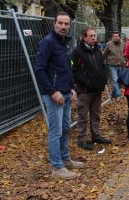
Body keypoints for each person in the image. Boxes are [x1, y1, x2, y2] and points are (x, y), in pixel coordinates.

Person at [35, 11, 84, 180]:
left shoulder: (62, 42)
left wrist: (71, 87)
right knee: (55, 132)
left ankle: (64, 159)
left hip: (66, 93)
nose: (63, 27)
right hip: (54, 95)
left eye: (66, 24)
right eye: (60, 23)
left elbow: (65, 68)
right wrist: (52, 91)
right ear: (54, 24)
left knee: (65, 129)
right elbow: (40, 70)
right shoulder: (47, 43)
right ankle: (57, 168)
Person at [71, 27, 112, 151]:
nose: (94, 38)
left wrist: (103, 80)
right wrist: (86, 83)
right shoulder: (77, 51)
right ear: (84, 37)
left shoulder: (97, 50)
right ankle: (81, 139)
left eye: (94, 36)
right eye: (91, 36)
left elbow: (101, 66)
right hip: (85, 90)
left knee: (96, 114)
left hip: (97, 89)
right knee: (82, 115)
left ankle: (96, 135)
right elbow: (74, 70)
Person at [103, 31, 126, 101]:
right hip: (112, 65)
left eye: (117, 36)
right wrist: (101, 61)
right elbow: (104, 54)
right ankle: (118, 95)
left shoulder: (123, 44)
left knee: (119, 82)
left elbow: (126, 53)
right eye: (114, 36)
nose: (116, 37)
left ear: (119, 37)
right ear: (112, 37)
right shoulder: (109, 44)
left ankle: (113, 94)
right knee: (115, 80)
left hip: (121, 65)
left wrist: (127, 62)